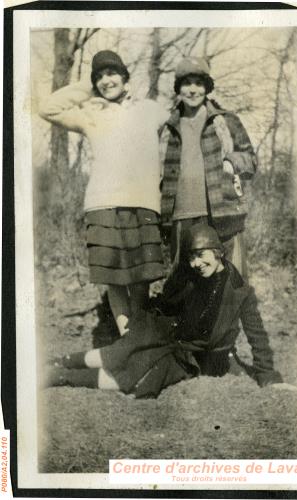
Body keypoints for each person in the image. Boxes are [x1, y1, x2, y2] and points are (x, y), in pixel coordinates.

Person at [44, 224, 284, 399]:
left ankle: (60, 377)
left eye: (201, 256)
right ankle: (61, 362)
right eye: (191, 258)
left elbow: (257, 335)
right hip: (165, 334)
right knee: (120, 354)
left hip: (190, 357)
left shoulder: (241, 291)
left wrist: (268, 376)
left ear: (218, 252)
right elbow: (168, 302)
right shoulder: (190, 277)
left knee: (136, 381)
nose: (196, 264)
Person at [40, 50, 169, 335]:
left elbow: (180, 121)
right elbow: (47, 108)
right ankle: (127, 339)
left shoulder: (151, 109)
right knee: (114, 278)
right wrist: (89, 86)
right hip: (103, 203)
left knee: (141, 277)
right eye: (99, 76)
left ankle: (140, 339)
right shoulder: (91, 113)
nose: (105, 80)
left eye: (111, 73)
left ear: (125, 77)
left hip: (144, 204)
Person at [160, 57, 257, 280]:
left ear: (207, 87)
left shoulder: (226, 120)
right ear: (178, 88)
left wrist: (232, 161)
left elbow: (251, 160)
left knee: (230, 281)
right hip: (180, 218)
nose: (192, 90)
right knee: (185, 286)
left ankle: (235, 317)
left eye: (199, 83)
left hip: (221, 214)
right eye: (186, 83)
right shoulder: (167, 127)